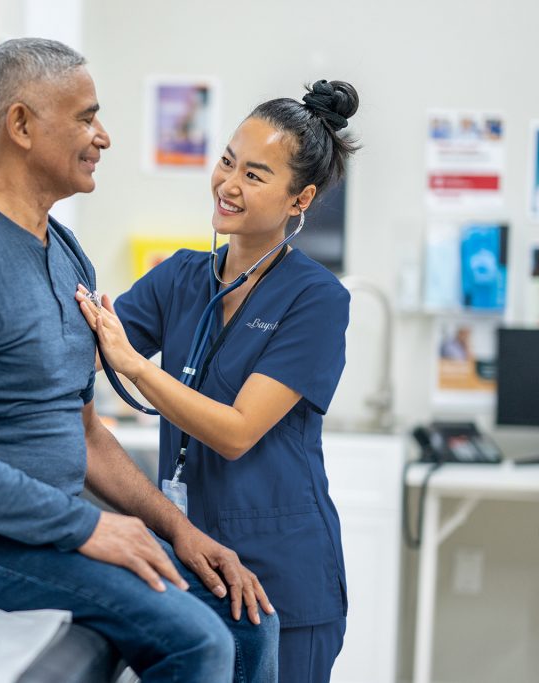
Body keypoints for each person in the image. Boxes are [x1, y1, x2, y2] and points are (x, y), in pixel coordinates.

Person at [0, 38, 278, 683]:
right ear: (21, 125)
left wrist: (177, 529)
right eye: (85, 117)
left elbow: (83, 432)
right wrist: (86, 527)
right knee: (198, 642)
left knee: (248, 619)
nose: (102, 136)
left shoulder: (63, 249)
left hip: (33, 530)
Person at [76, 79, 359, 683]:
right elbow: (89, 345)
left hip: (283, 576)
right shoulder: (180, 277)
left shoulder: (316, 299)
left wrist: (133, 365)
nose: (229, 184)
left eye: (256, 176)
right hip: (192, 562)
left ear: (299, 199)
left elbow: (235, 432)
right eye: (228, 161)